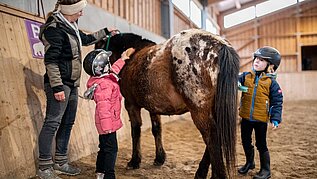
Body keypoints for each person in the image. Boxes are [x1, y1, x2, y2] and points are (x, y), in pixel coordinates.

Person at [37, 0, 118, 178]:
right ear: (69, 11)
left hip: (72, 83)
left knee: (67, 123)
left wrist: (105, 32)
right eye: (79, 11)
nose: (81, 14)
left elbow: (86, 39)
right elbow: (51, 62)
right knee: (52, 122)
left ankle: (60, 161)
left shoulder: (70, 26)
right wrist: (57, 87)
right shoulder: (54, 29)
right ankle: (44, 167)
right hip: (59, 84)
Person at [83, 48, 135, 179]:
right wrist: (108, 128)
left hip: (105, 123)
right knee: (111, 150)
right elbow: (103, 108)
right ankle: (109, 175)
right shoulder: (104, 85)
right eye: (108, 63)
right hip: (107, 124)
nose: (110, 64)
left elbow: (113, 72)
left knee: (104, 148)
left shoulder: (102, 80)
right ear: (103, 67)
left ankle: (100, 172)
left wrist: (122, 59)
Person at [237, 46, 283, 179]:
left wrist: (275, 118)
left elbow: (277, 101)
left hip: (261, 120)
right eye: (256, 58)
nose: (257, 61)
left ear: (271, 66)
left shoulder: (271, 83)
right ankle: (249, 163)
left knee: (261, 144)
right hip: (245, 117)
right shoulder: (245, 76)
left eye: (262, 60)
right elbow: (235, 79)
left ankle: (265, 170)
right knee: (245, 141)